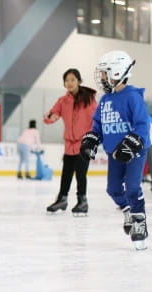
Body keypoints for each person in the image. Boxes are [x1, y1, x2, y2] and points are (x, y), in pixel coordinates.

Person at [81, 50, 151, 250]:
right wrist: (92, 139)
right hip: (114, 152)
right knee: (112, 189)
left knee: (132, 187)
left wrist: (133, 141)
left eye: (105, 73)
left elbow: (142, 124)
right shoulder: (105, 100)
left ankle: (139, 220)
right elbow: (98, 125)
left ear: (118, 72)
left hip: (135, 152)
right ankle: (128, 209)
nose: (102, 77)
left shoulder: (133, 97)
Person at [44, 68, 97, 216]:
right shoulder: (63, 101)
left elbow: (97, 119)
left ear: (79, 81)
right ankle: (62, 199)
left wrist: (93, 139)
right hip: (69, 144)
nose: (69, 83)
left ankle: (82, 201)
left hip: (84, 143)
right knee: (66, 173)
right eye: (67, 80)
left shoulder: (89, 100)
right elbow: (52, 113)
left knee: (81, 173)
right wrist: (52, 116)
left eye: (72, 80)